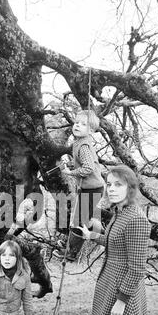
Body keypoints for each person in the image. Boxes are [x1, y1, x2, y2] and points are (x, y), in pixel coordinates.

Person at [80, 164, 151, 315]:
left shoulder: (137, 220)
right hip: (112, 283)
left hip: (125, 290)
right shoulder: (120, 213)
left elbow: (137, 267)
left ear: (130, 188)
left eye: (117, 184)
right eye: (109, 184)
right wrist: (93, 236)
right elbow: (115, 245)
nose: (111, 189)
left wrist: (121, 300)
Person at [55, 109, 105, 261]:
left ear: (90, 130)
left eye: (83, 124)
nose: (77, 126)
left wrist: (71, 173)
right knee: (78, 218)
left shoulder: (83, 146)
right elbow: (82, 162)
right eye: (76, 123)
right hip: (87, 188)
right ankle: (70, 245)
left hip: (93, 188)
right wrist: (70, 163)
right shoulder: (78, 143)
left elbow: (88, 167)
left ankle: (71, 253)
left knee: (80, 220)